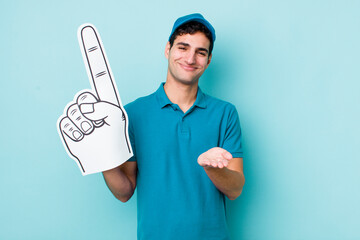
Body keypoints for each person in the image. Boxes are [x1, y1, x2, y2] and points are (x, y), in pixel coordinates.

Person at [102, 13, 245, 240]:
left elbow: (235, 189)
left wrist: (213, 168)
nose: (190, 58)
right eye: (183, 47)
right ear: (168, 49)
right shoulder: (133, 114)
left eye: (201, 52)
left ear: (208, 61)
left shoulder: (225, 114)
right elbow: (124, 192)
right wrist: (101, 156)